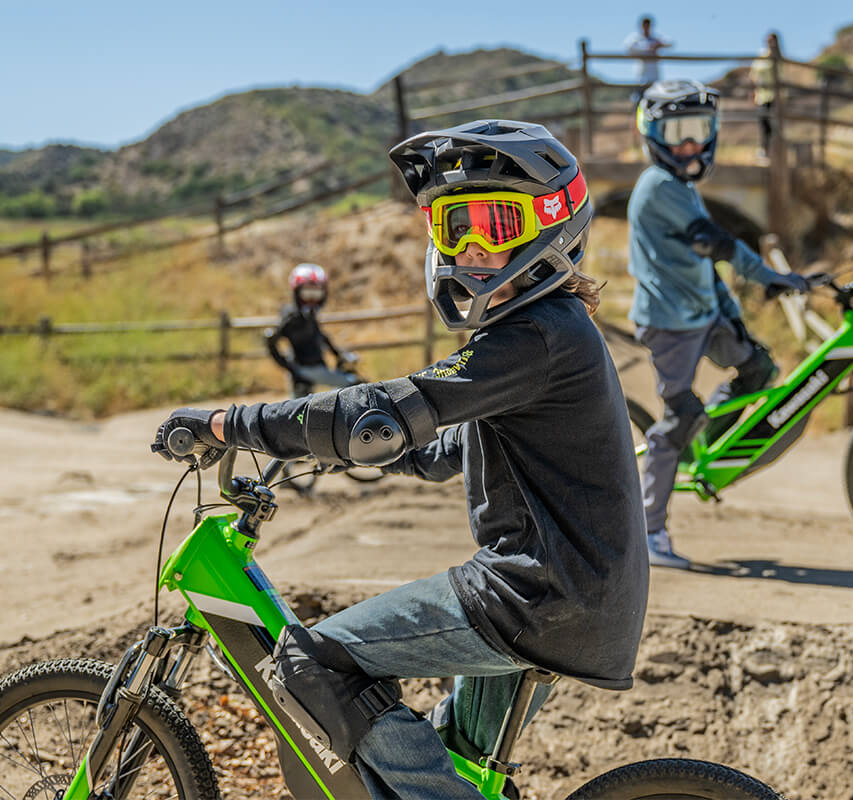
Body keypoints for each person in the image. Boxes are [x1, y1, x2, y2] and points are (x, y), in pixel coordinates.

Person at [151, 120, 649, 800]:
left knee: (311, 657)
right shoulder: (551, 332)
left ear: (552, 224)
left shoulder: (536, 335)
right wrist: (341, 454)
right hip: (576, 598)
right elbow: (440, 449)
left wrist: (226, 423)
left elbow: (379, 414)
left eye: (495, 224)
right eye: (453, 228)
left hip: (533, 596)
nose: (472, 247)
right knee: (460, 754)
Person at [627, 79, 811, 569]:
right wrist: (773, 275)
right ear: (652, 134)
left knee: (758, 371)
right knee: (676, 419)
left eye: (698, 130)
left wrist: (739, 303)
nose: (688, 144)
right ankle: (650, 533)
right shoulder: (659, 187)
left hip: (704, 315)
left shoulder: (681, 186)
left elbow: (705, 265)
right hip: (670, 324)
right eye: (675, 131)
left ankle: (710, 445)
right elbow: (717, 245)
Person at [266, 263, 361, 397]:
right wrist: (291, 369)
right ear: (297, 293)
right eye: (307, 293)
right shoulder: (291, 316)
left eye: (316, 293)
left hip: (317, 367)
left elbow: (321, 336)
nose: (312, 299)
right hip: (305, 369)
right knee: (355, 386)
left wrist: (338, 354)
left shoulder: (309, 316)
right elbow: (271, 341)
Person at [623, 15, 673, 103]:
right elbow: (627, 47)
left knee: (654, 101)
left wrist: (659, 44)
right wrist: (647, 47)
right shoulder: (636, 39)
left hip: (655, 76)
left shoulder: (656, 38)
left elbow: (670, 43)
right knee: (639, 101)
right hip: (641, 77)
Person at [749, 32, 780, 160]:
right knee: (764, 124)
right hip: (762, 96)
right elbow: (753, 74)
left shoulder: (777, 58)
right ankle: (765, 151)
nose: (770, 43)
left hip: (774, 96)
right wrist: (754, 92)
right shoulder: (761, 56)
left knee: (773, 126)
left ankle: (774, 152)